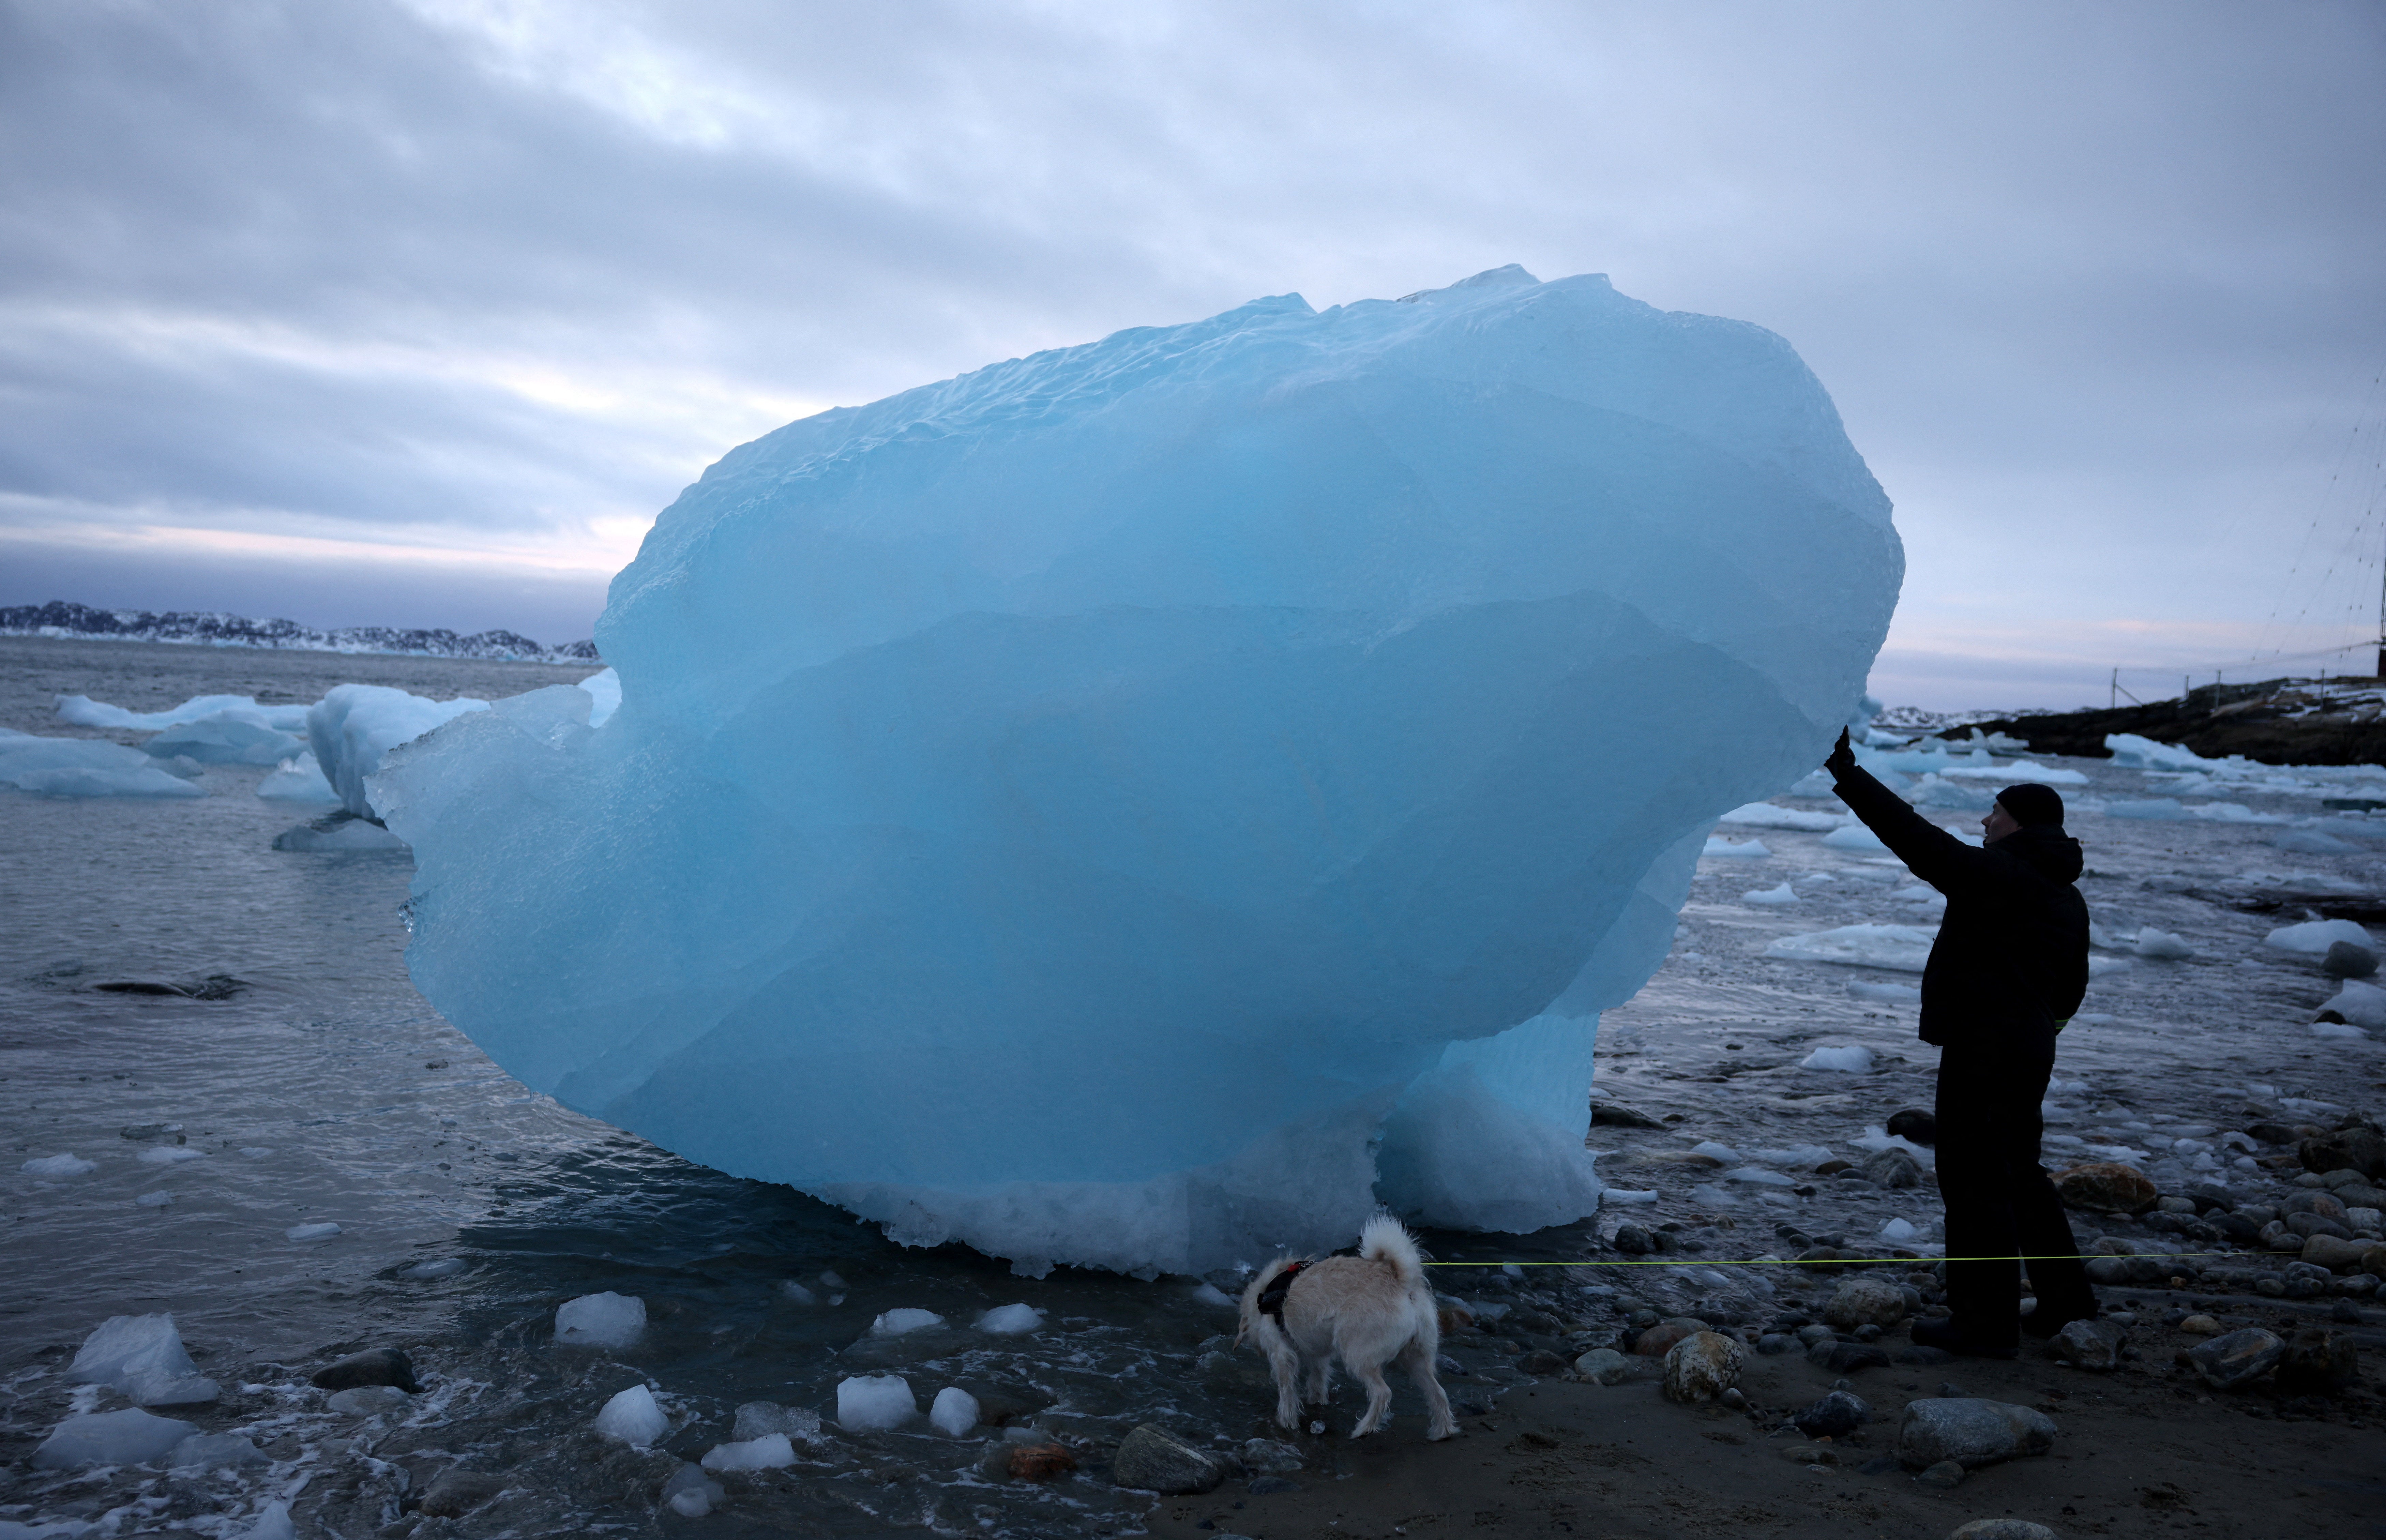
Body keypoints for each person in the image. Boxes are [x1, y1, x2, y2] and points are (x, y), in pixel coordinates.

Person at [1823, 727, 2097, 1356]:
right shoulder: (2065, 893)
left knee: (1973, 1176)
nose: (1985, 818)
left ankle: (1984, 1323)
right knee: (2019, 1171)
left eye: (1995, 811)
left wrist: (1848, 774)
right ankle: (2066, 1300)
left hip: (1986, 1045)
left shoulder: (2004, 875)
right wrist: (2039, 1031)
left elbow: (1917, 841)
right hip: (2029, 1046)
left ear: (2020, 823)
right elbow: (2072, 986)